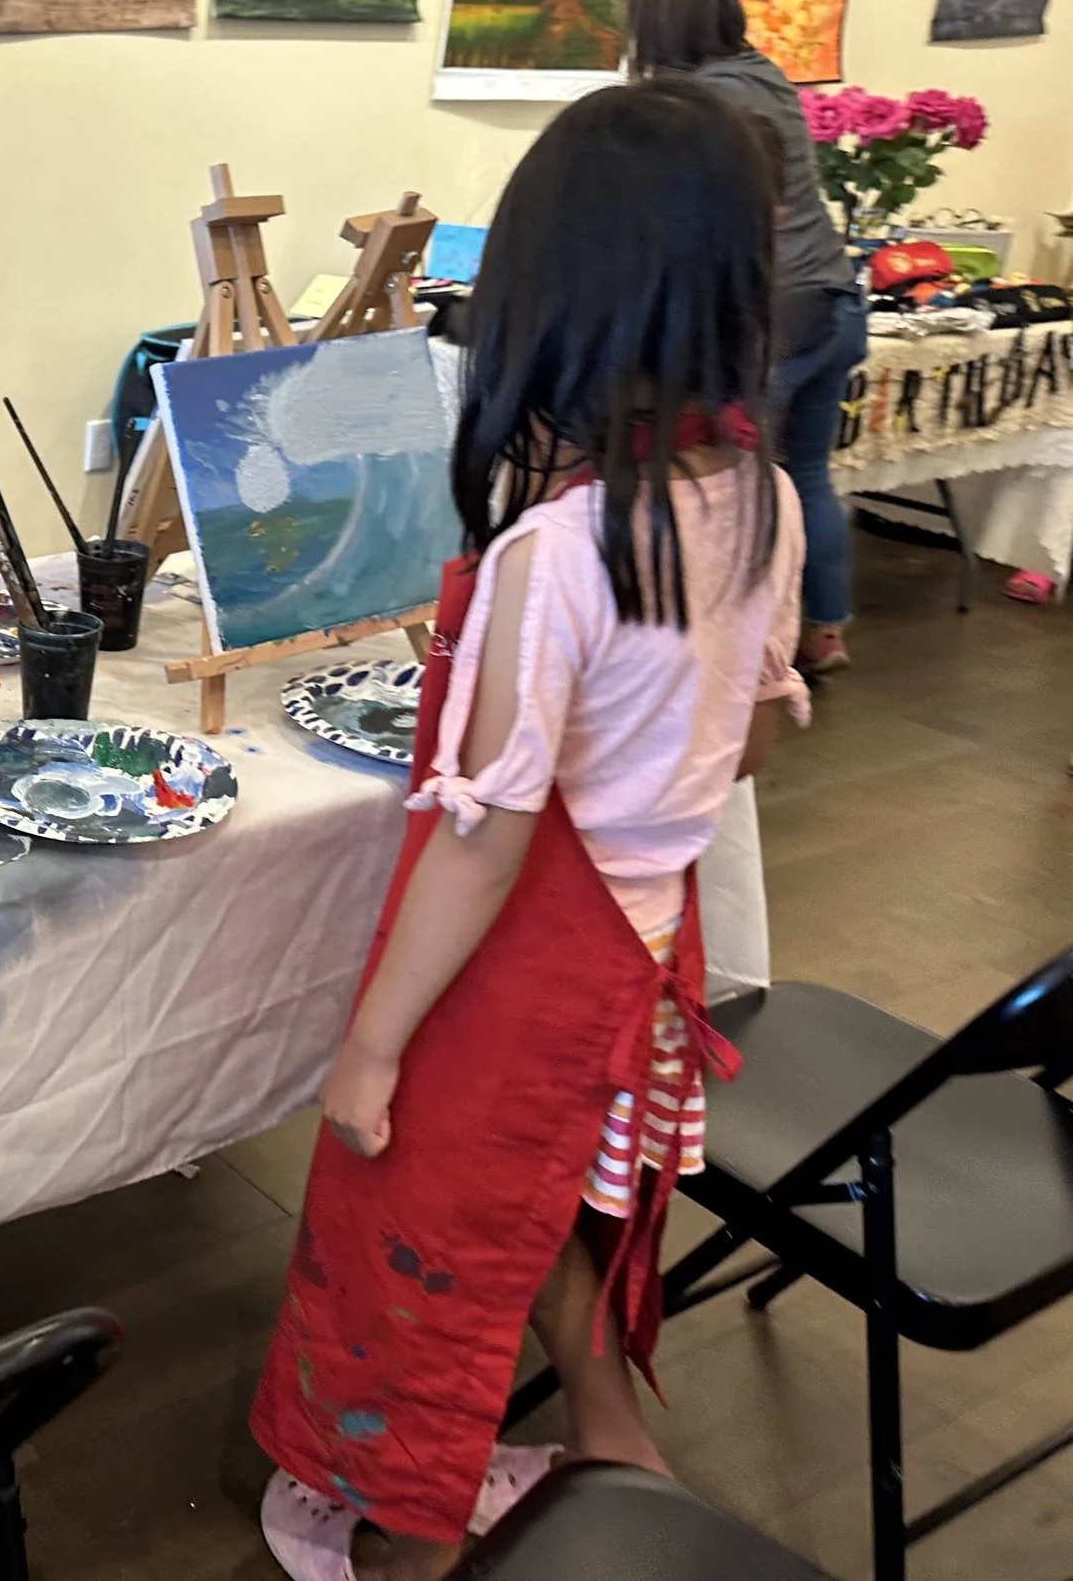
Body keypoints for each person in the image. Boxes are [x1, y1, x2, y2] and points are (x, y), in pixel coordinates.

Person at [250, 80, 809, 1581]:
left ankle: (406, 1536)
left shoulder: (559, 551)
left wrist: (370, 1041)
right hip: (649, 956)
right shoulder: (758, 499)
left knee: (422, 1255)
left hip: (522, 978)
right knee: (543, 1209)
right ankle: (619, 1444)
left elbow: (484, 842)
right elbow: (749, 733)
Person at [624, 0, 866, 674]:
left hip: (774, 312)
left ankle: (741, 651)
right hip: (832, 296)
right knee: (809, 474)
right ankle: (823, 633)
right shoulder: (764, 73)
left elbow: (683, 226)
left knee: (737, 481)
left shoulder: (705, 101)